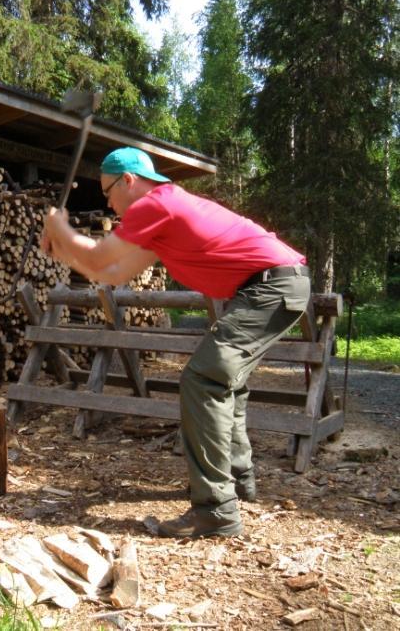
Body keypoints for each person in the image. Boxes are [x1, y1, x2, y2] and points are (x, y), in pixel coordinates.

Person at [41, 147, 311, 539]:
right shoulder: (163, 215)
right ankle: (236, 480)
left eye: (108, 192)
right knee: (221, 381)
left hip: (271, 287)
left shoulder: (156, 204)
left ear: (129, 180)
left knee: (204, 380)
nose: (109, 203)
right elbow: (113, 272)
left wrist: (59, 227)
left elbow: (99, 257)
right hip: (273, 286)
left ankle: (216, 511)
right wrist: (63, 248)